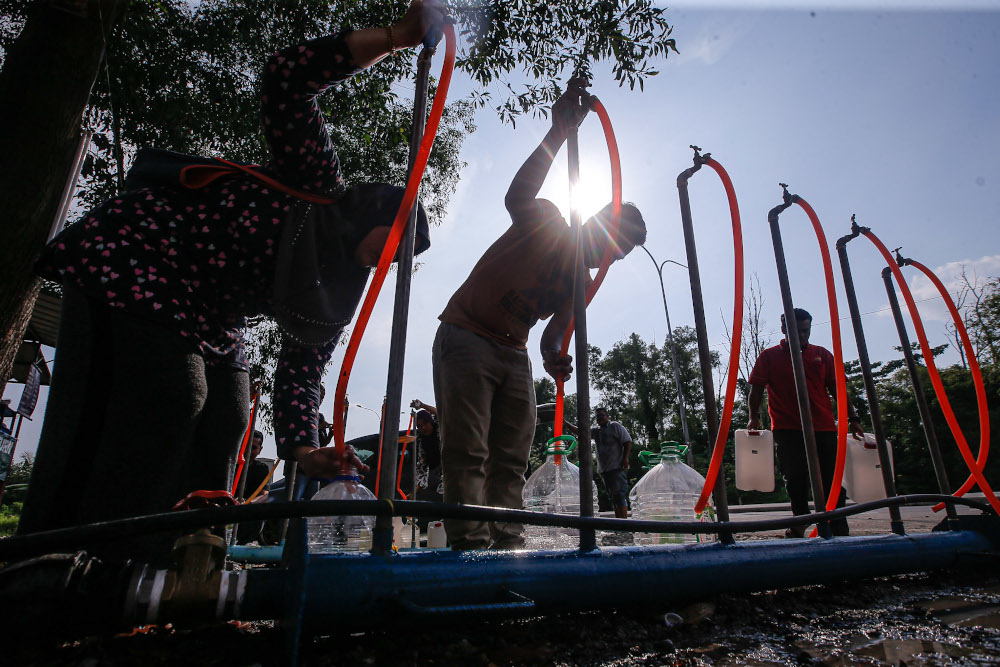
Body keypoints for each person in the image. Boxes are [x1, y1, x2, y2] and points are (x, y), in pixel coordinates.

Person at [18, 0, 449, 563]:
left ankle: (182, 561)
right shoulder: (317, 185)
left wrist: (304, 449)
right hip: (137, 259)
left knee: (226, 416)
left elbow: (302, 369)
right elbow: (285, 82)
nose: (390, 259)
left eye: (400, 258)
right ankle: (70, 560)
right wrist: (396, 36)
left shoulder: (335, 297)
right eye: (394, 239)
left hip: (212, 315)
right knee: (172, 395)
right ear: (375, 211)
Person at [432, 86, 648, 550]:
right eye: (613, 239)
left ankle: (506, 539)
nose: (611, 253)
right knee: (468, 449)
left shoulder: (579, 284)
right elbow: (517, 194)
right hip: (467, 333)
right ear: (593, 221)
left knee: (510, 455)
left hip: (512, 352)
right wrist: (557, 132)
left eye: (621, 253)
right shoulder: (547, 220)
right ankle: (468, 545)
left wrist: (555, 359)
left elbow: (553, 334)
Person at [747, 308, 863, 538]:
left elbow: (838, 389)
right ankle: (800, 522)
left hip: (823, 426)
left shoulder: (822, 354)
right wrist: (753, 416)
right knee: (795, 477)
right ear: (783, 329)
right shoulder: (769, 356)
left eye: (805, 331)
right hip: (787, 427)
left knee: (831, 478)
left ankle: (838, 525)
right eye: (796, 331)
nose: (802, 336)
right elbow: (756, 389)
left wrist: (853, 418)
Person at [591, 407, 632, 519]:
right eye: (597, 416)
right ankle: (618, 524)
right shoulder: (596, 432)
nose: (600, 418)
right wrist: (565, 423)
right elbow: (581, 432)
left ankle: (624, 524)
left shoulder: (615, 426)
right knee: (613, 498)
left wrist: (625, 458)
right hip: (605, 470)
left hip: (617, 468)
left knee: (619, 496)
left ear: (607, 416)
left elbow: (627, 442)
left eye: (602, 415)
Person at [236, 430, 270, 544]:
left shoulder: (261, 469)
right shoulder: (231, 466)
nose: (248, 451)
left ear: (260, 450)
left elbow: (265, 494)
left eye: (254, 448)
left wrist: (248, 503)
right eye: (246, 446)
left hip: (248, 512)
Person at [410, 399, 442, 505]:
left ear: (431, 422)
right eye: (419, 426)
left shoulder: (441, 429)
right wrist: (413, 492)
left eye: (425, 424)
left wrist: (423, 405)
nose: (423, 428)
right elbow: (421, 469)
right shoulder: (423, 444)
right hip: (438, 478)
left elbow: (439, 413)